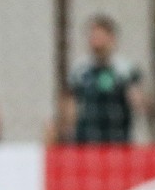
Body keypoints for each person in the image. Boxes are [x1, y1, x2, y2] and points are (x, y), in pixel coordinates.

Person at [53, 13, 148, 144]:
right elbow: (70, 104)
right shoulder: (80, 70)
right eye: (93, 37)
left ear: (112, 39)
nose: (96, 42)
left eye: (100, 37)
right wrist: (66, 126)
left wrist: (138, 99)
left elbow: (140, 101)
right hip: (87, 141)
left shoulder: (125, 70)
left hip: (118, 141)